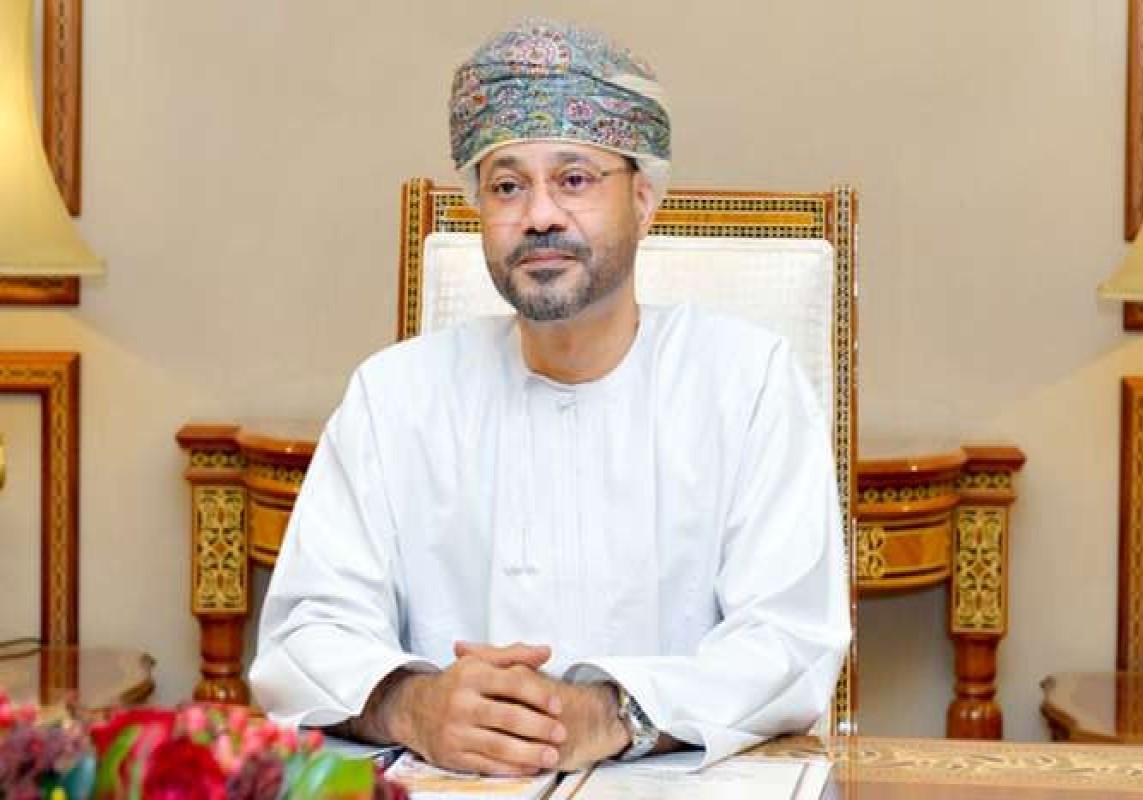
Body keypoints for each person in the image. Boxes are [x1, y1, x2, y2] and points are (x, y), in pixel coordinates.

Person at [249, 17, 850, 777]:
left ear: (644, 200)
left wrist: (610, 714)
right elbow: (305, 635)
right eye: (508, 186)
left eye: (574, 179)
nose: (539, 215)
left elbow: (789, 641)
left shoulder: (748, 383)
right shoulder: (394, 396)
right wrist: (414, 705)